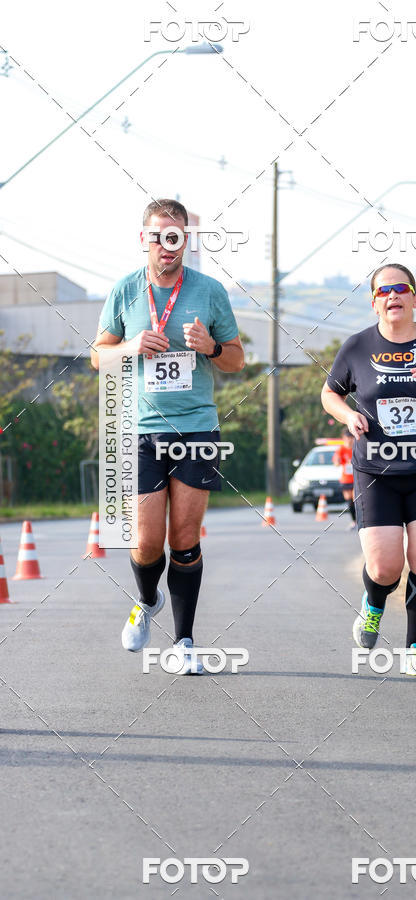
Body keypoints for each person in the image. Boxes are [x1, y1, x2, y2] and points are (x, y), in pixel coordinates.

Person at [91, 198, 244, 674]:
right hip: (141, 427)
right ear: (145, 240)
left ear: (185, 241)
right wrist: (132, 346)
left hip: (197, 424)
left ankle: (184, 641)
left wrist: (212, 347)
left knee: (184, 535)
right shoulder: (124, 292)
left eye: (175, 236)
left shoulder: (210, 291)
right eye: (158, 235)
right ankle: (145, 598)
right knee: (146, 540)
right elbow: (98, 356)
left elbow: (237, 360)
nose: (167, 244)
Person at [321, 263, 416, 674]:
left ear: (415, 298)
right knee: (385, 566)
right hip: (376, 471)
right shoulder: (357, 347)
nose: (393, 296)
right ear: (374, 302)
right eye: (384, 291)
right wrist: (346, 415)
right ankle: (374, 603)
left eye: (401, 289)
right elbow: (329, 393)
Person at [332, 430, 356, 529]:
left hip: (356, 479)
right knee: (349, 501)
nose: (349, 441)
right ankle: (354, 521)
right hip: (346, 479)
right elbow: (336, 463)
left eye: (351, 439)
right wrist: (337, 459)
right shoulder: (341, 449)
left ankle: (361, 520)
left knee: (356, 499)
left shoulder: (357, 448)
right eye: (346, 439)